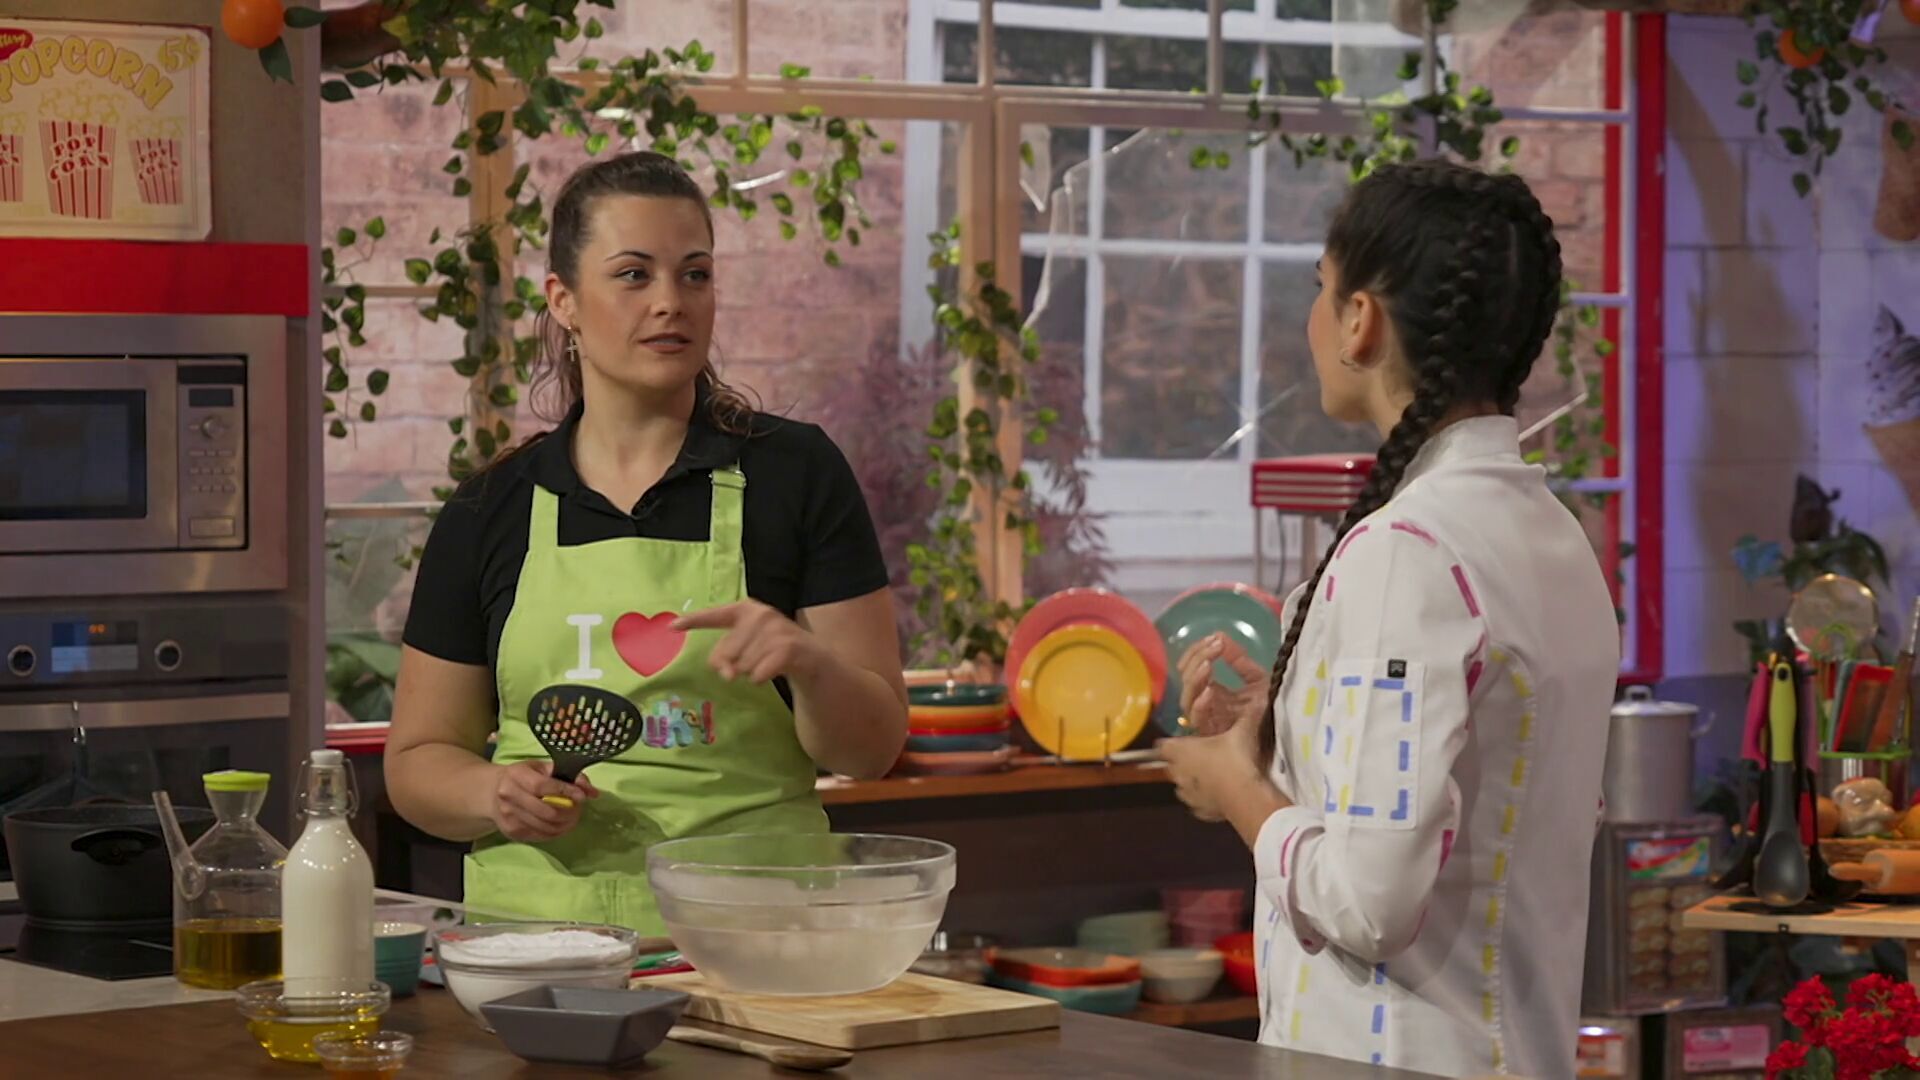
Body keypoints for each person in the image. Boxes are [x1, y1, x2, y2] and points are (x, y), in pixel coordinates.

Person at [1158, 159, 1619, 1078]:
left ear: (1361, 320)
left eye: (1322, 291)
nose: (1314, 319)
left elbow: (1373, 903)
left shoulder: (1406, 548)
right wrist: (1277, 730)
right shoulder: (1553, 535)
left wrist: (1235, 788)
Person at [385, 151, 908, 935]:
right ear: (563, 300)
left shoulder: (796, 475)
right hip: (539, 946)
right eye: (633, 275)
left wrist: (810, 663)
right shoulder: (491, 508)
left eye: (694, 275)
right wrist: (488, 793)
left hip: (757, 939)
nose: (671, 302)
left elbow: (871, 750)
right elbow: (418, 758)